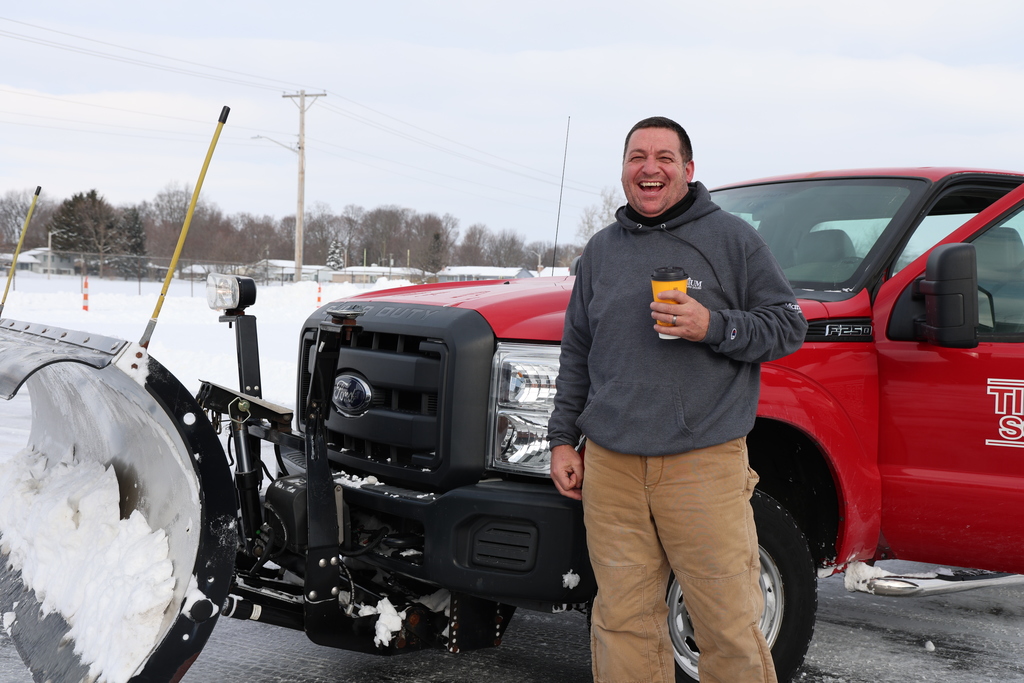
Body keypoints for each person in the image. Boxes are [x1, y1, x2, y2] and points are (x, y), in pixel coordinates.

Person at [548, 116, 807, 683]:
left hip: (702, 465)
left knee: (728, 623)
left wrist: (712, 324)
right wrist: (563, 438)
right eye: (637, 156)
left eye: (665, 157)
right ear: (623, 170)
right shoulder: (600, 252)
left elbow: (788, 327)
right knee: (622, 621)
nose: (650, 168)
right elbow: (577, 354)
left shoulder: (732, 239)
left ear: (688, 171)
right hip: (612, 468)